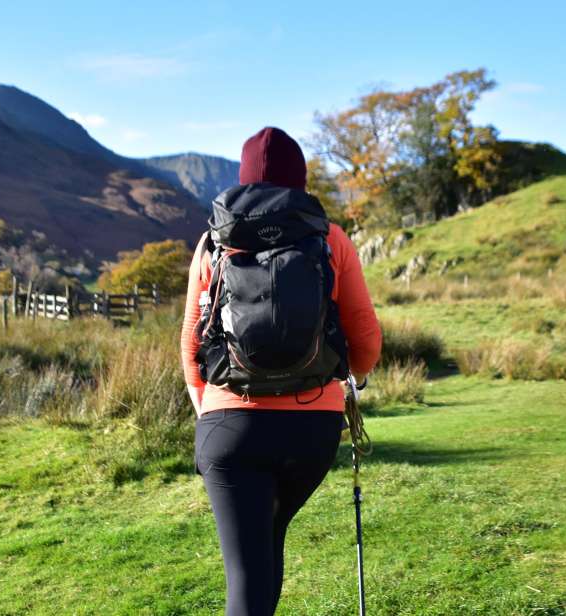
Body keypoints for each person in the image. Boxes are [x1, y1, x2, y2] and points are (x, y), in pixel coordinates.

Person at [180, 126, 382, 616]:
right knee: (268, 543)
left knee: (247, 572)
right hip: (311, 431)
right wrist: (347, 381)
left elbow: (191, 346)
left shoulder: (214, 243)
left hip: (231, 428)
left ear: (245, 178)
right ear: (302, 180)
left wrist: (211, 409)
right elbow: (366, 339)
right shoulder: (330, 238)